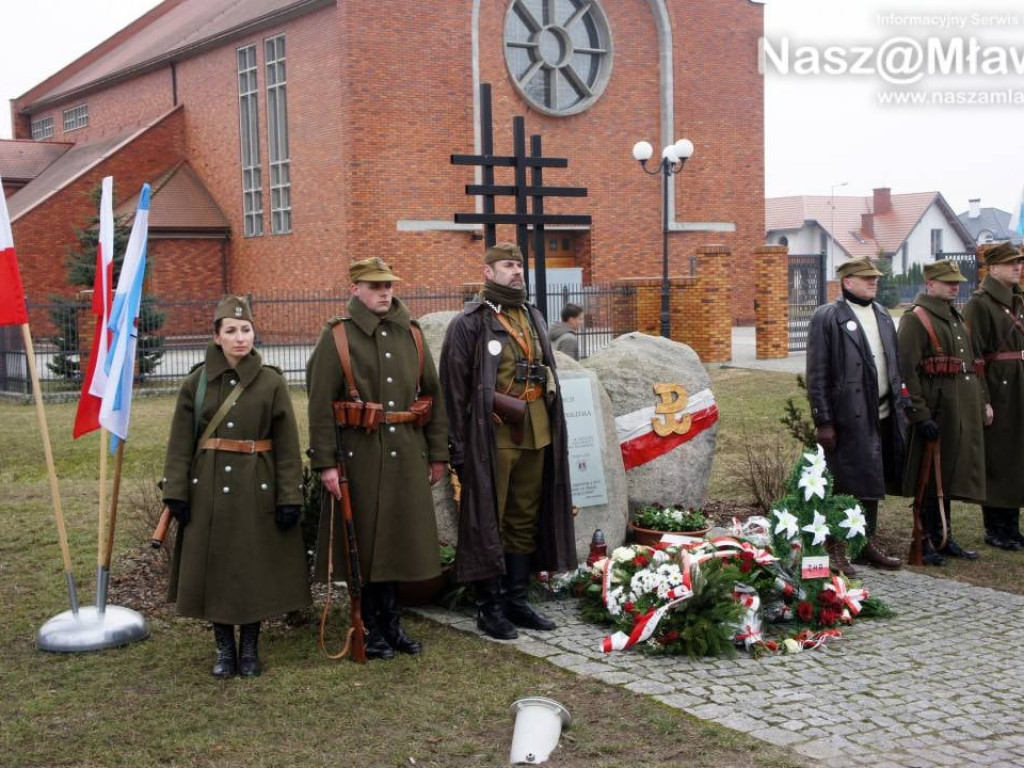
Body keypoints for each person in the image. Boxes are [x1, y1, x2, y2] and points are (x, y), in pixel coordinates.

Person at [306, 257, 448, 660]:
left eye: (387, 285)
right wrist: (327, 463)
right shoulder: (337, 337)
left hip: (406, 452)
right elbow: (319, 405)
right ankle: (368, 624)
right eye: (374, 286)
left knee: (400, 542)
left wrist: (437, 454)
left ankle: (391, 622)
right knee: (366, 546)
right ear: (355, 289)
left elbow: (433, 398)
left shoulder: (413, 335)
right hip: (359, 457)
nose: (384, 292)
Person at [162, 295, 310, 678]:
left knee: (252, 567)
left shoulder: (271, 381)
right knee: (219, 567)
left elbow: (288, 446)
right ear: (216, 336)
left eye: (246, 330)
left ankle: (250, 650)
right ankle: (224, 649)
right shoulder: (196, 382)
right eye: (231, 331)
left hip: (256, 486)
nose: (240, 338)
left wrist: (289, 495)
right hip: (208, 487)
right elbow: (180, 443)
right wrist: (176, 491)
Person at [439, 242, 577, 640]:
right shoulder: (470, 322)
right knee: (489, 520)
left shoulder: (531, 314)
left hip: (536, 427)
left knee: (522, 517)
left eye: (518, 265)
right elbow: (454, 389)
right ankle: (489, 607)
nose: (516, 272)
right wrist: (457, 449)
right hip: (493, 434)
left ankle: (516, 600)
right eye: (507, 265)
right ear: (488, 272)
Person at [805, 256, 906, 575]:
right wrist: (824, 420)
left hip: (883, 412)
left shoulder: (882, 314)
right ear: (847, 282)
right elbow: (817, 372)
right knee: (843, 484)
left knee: (871, 481)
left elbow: (894, 362)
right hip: (847, 416)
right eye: (865, 278)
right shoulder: (828, 317)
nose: (873, 282)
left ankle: (863, 543)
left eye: (874, 278)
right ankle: (835, 548)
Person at [897, 260, 988, 566]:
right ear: (930, 284)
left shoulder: (954, 317)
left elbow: (971, 367)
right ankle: (925, 538)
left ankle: (943, 535)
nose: (955, 286)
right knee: (926, 477)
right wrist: (919, 415)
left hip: (956, 410)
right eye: (947, 281)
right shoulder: (916, 318)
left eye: (957, 281)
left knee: (945, 475)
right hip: (933, 411)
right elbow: (906, 371)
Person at [964, 241, 1024, 551]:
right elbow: (973, 356)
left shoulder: (1018, 299)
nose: (1018, 267)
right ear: (994, 268)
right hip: (998, 389)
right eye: (1011, 263)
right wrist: (983, 398)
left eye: (1019, 262)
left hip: (1018, 386)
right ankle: (995, 528)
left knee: (1017, 457)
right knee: (998, 458)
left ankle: (1012, 526)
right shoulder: (980, 303)